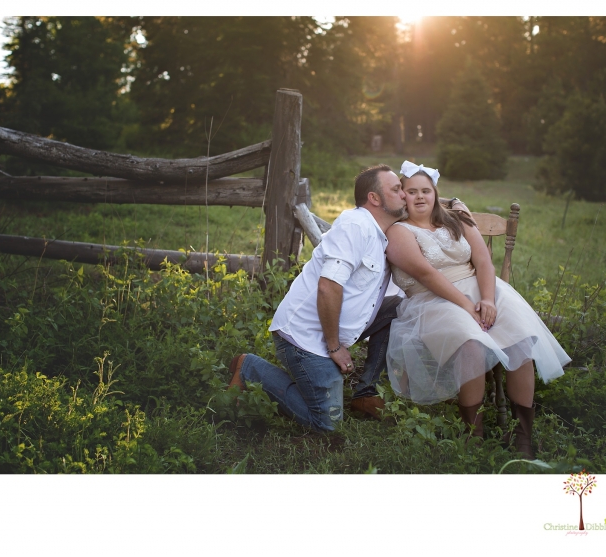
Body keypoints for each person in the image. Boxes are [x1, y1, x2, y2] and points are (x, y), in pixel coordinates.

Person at [227, 164, 468, 432]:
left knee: (398, 308)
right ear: (374, 198)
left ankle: (365, 392)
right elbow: (328, 287)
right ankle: (250, 367)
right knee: (326, 425)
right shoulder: (355, 226)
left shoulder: (384, 229)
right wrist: (334, 347)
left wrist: (453, 203)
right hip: (306, 338)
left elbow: (422, 200)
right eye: (397, 190)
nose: (405, 195)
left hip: (339, 327)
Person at [384, 161, 571, 458]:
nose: (419, 197)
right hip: (432, 299)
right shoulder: (399, 232)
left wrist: (488, 300)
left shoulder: (458, 220)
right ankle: (474, 436)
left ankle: (523, 436)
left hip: (481, 290)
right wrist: (467, 306)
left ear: (435, 194)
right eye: (412, 191)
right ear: (402, 195)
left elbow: (484, 261)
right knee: (471, 346)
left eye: (426, 191)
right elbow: (426, 275)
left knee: (521, 339)